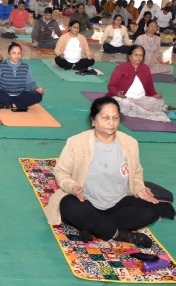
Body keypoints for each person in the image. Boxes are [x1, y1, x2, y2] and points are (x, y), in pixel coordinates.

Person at [43, 96, 160, 248]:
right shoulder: (76, 143)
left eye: (115, 118)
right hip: (85, 202)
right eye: (105, 118)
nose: (111, 122)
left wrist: (139, 189)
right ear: (93, 120)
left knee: (151, 210)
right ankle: (120, 234)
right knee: (68, 205)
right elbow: (61, 172)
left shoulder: (130, 143)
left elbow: (136, 173)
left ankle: (93, 228)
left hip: (118, 205)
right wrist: (73, 187)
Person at [106, 45, 170, 122]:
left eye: (141, 55)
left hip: (141, 99)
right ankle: (145, 112)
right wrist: (117, 93)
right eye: (136, 55)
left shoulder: (145, 68)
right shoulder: (120, 68)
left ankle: (137, 110)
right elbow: (111, 85)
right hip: (124, 99)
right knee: (123, 103)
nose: (138, 57)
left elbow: (150, 87)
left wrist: (155, 94)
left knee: (159, 101)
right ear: (129, 56)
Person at [0, 42, 44, 110]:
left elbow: (30, 83)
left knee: (38, 96)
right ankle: (20, 104)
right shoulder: (0, 66)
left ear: (21, 54)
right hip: (5, 94)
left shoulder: (25, 67)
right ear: (8, 54)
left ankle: (11, 105)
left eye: (19, 53)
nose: (16, 56)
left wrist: (36, 89)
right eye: (14, 53)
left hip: (21, 95)